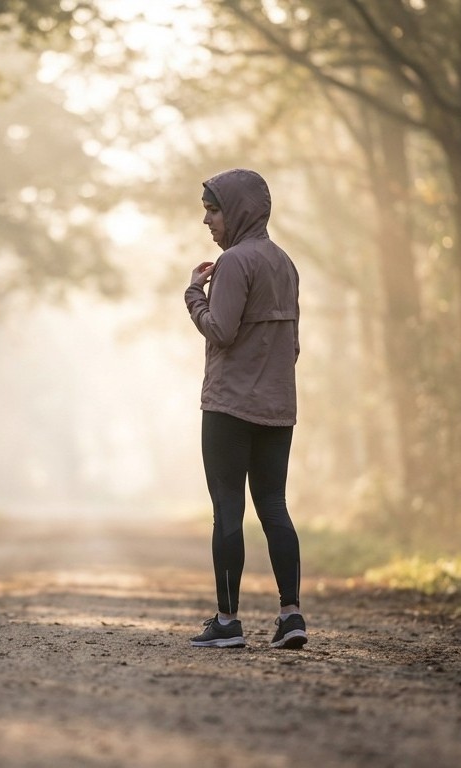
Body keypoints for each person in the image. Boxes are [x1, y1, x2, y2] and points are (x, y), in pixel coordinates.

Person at [184, 168, 306, 650]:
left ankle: (228, 621)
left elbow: (222, 330)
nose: (208, 221)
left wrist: (194, 295)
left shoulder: (234, 262)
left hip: (229, 407)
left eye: (213, 210)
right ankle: (291, 616)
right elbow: (292, 345)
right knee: (274, 508)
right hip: (278, 408)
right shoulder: (285, 263)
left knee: (228, 509)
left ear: (236, 211)